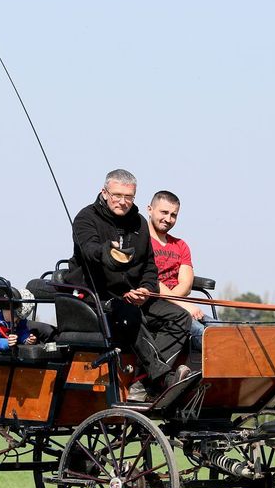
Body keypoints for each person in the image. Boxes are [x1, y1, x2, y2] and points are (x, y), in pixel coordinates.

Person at [65, 169, 191, 400]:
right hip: (98, 297)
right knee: (129, 314)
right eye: (117, 195)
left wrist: (146, 290)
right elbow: (90, 250)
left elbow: (149, 267)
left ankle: (143, 380)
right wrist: (108, 252)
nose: (123, 202)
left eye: (129, 197)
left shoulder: (139, 223)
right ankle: (162, 377)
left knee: (181, 317)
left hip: (134, 297)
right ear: (104, 193)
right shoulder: (86, 218)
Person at [147, 190, 208, 350]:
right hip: (152, 305)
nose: (168, 219)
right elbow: (151, 281)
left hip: (179, 304)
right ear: (149, 209)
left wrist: (178, 304)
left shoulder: (181, 245)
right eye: (164, 212)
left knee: (221, 330)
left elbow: (186, 285)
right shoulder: (141, 241)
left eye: (173, 215)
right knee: (204, 335)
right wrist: (181, 305)